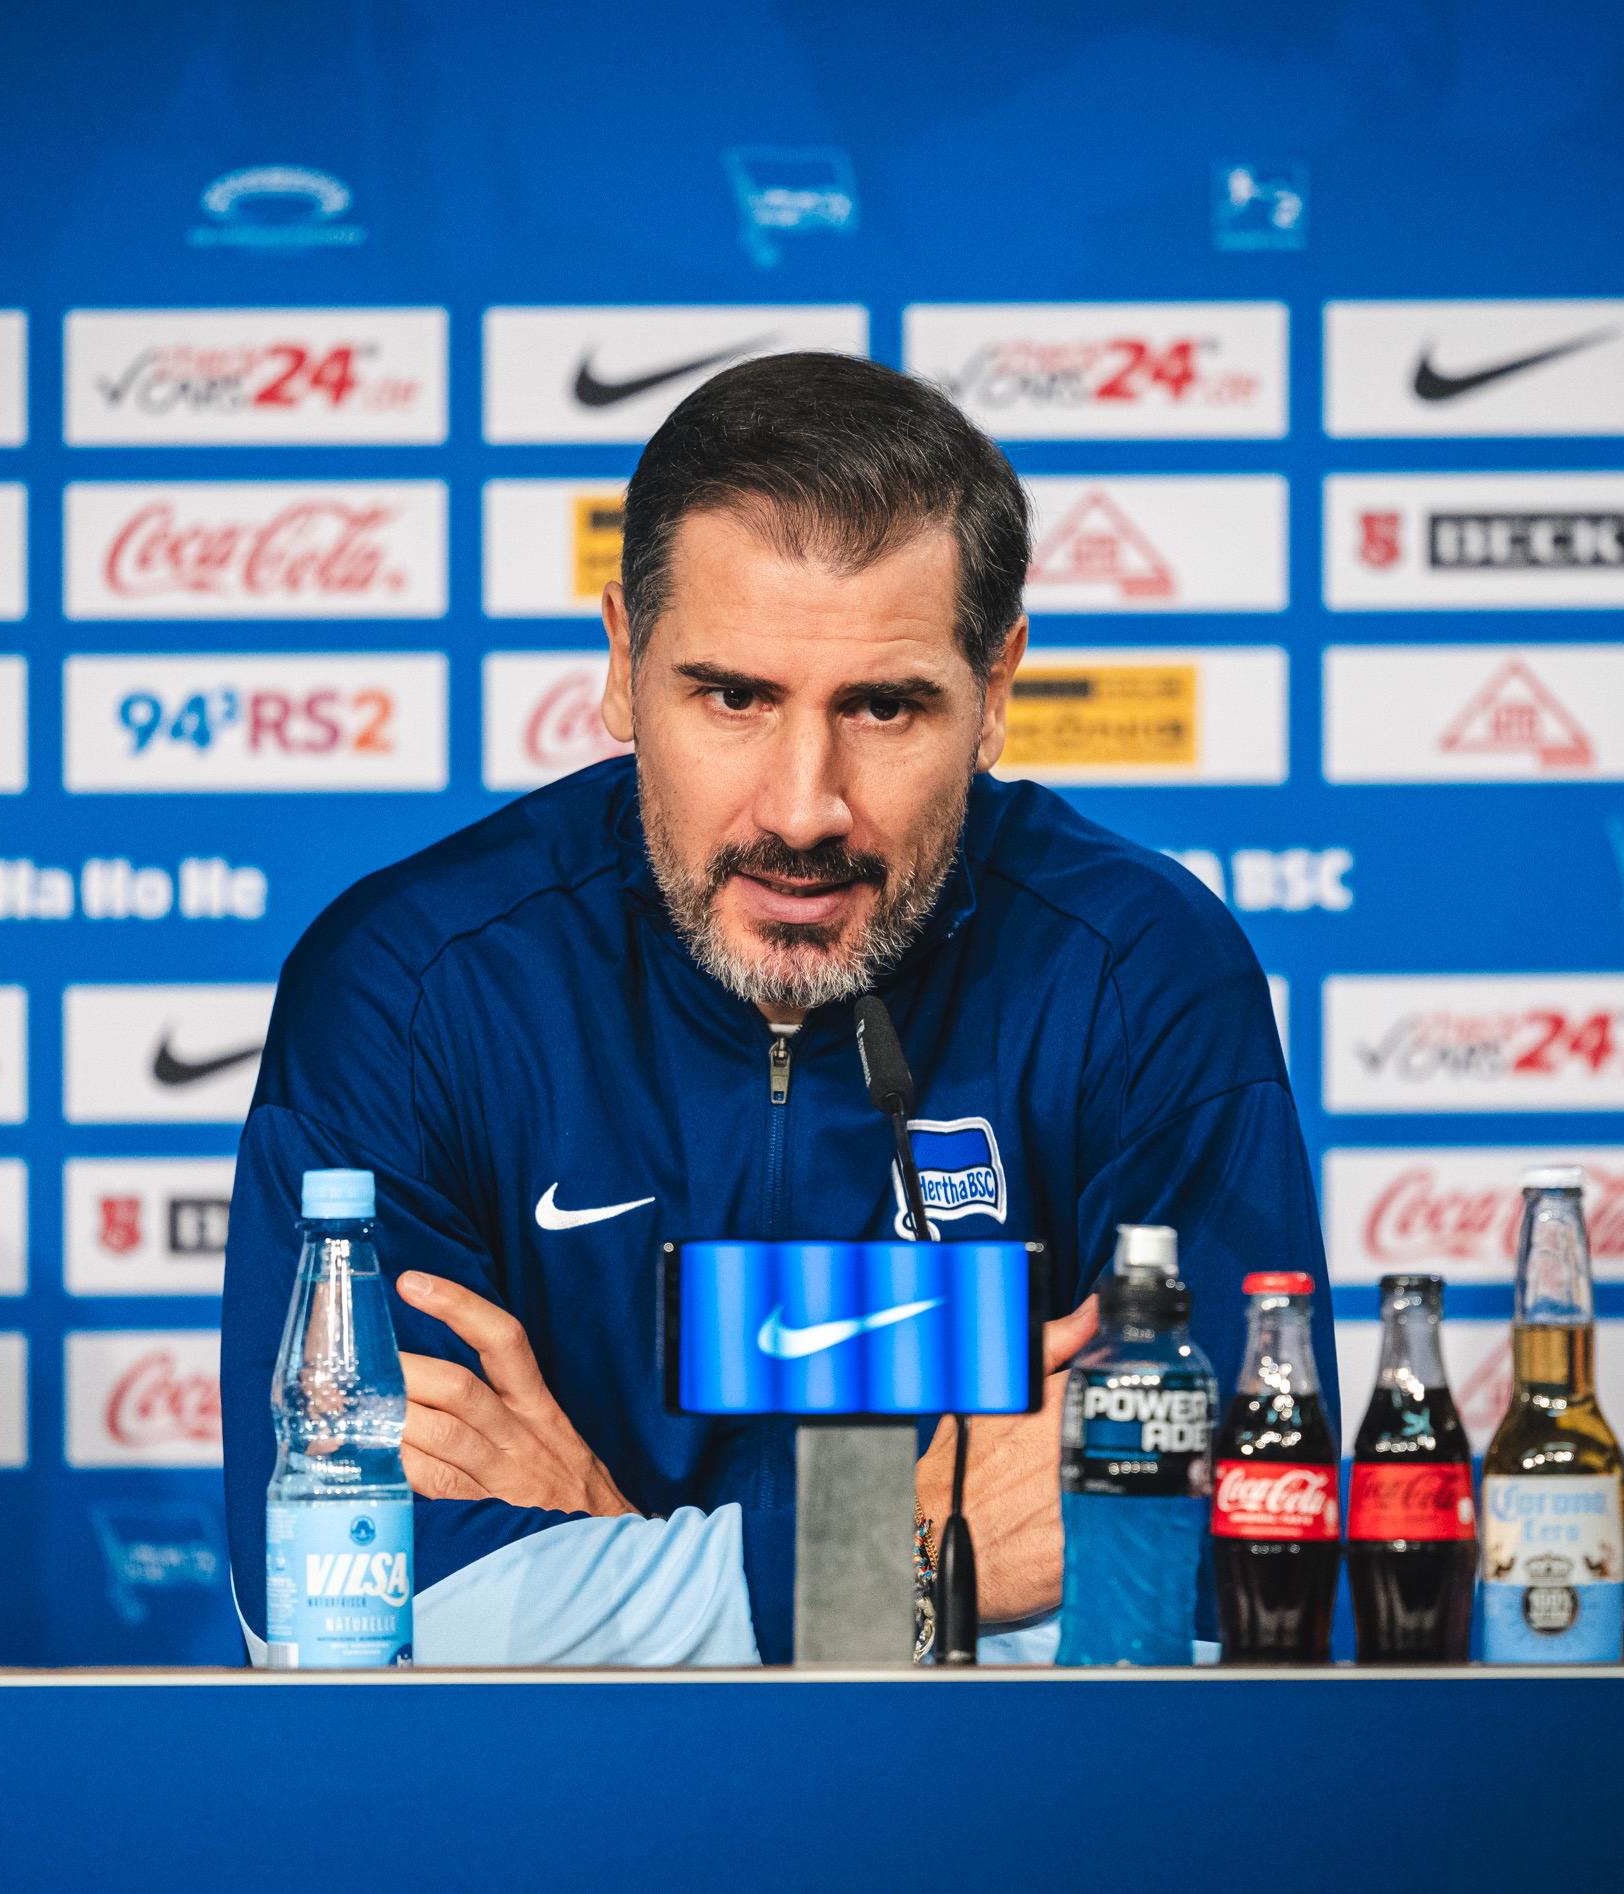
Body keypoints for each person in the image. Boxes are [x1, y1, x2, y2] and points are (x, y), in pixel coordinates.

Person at [221, 351, 1328, 1664]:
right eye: (734, 696)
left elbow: (1220, 1591)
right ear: (624, 666)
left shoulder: (1139, 975)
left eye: (885, 705)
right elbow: (332, 1605)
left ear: (997, 689)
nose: (806, 807)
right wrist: (912, 1553)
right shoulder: (413, 988)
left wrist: (604, 1538)